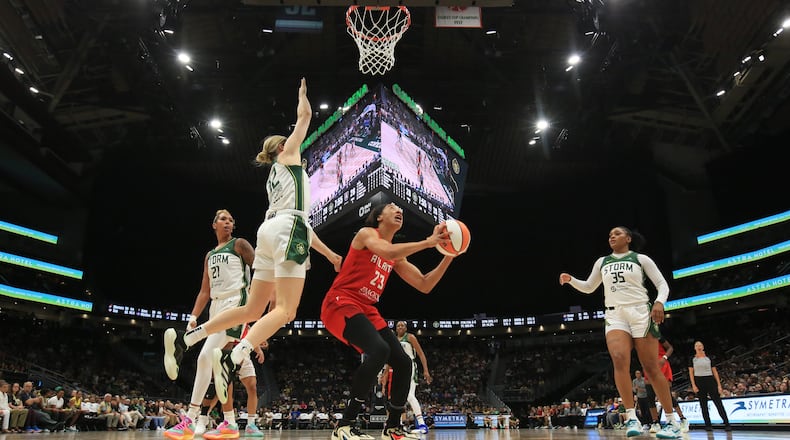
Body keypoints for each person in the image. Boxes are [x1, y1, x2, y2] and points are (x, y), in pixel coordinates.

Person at [164, 78, 343, 406]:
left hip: (269, 229)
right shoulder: (289, 156)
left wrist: (330, 254)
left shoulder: (274, 178)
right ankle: (233, 358)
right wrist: (303, 98)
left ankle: (189, 338)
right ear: (282, 147)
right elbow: (304, 119)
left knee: (252, 309)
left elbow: (300, 224)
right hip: (289, 228)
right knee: (286, 311)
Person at [320, 202, 458, 440]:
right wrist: (429, 242)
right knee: (379, 350)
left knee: (404, 363)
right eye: (392, 207)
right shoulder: (366, 234)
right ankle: (344, 425)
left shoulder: (395, 256)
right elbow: (388, 252)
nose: (399, 211)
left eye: (401, 210)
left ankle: (392, 427)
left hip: (367, 309)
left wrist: (449, 255)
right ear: (378, 216)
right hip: (340, 302)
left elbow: (425, 284)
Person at [559, 226, 682, 439]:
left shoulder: (641, 259)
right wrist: (572, 280)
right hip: (615, 315)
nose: (612, 237)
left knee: (651, 368)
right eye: (609, 235)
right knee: (618, 359)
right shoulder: (602, 262)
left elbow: (662, 284)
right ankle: (632, 416)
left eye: (616, 234)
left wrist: (660, 302)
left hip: (641, 311)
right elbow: (589, 287)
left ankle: (672, 421)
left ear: (628, 238)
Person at [163, 209, 256, 440]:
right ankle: (226, 423)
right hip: (216, 306)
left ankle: (190, 420)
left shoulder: (240, 245)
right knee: (207, 360)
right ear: (214, 224)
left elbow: (261, 268)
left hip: (237, 301)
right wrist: (193, 317)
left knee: (206, 358)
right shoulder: (209, 255)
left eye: (231, 220)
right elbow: (204, 291)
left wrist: (258, 311)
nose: (228, 222)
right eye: (223, 219)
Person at [644, 335, 689, 433]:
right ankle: (655, 423)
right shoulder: (639, 338)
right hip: (649, 366)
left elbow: (670, 348)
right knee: (650, 396)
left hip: (661, 364)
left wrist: (664, 358)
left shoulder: (656, 335)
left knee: (667, 396)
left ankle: (682, 419)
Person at [394, 320, 432, 434]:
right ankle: (398, 425)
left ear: (406, 328)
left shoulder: (410, 337)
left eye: (402, 325)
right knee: (398, 397)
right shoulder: (394, 340)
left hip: (409, 366)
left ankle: (422, 424)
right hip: (397, 368)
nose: (400, 327)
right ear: (396, 329)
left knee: (409, 395)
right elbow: (391, 358)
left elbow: (420, 354)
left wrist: (426, 370)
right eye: (398, 325)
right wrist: (385, 373)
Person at [688, 340, 731, 431]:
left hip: (710, 380)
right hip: (699, 381)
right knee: (703, 405)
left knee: (718, 403)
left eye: (700, 345)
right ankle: (708, 425)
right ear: (694, 348)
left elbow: (715, 372)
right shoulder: (692, 359)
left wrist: (719, 385)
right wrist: (694, 385)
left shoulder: (709, 358)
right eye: (696, 345)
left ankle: (727, 423)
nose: (698, 347)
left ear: (703, 347)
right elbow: (691, 373)